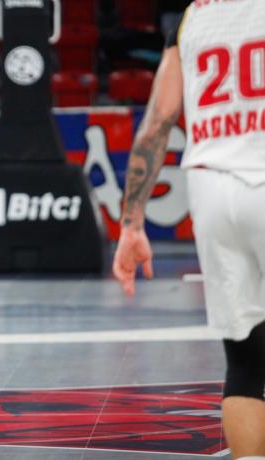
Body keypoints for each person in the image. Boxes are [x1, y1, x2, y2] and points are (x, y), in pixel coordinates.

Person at [112, 2, 265, 459]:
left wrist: (131, 223)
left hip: (212, 186)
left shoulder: (191, 15)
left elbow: (158, 121)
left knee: (244, 360)